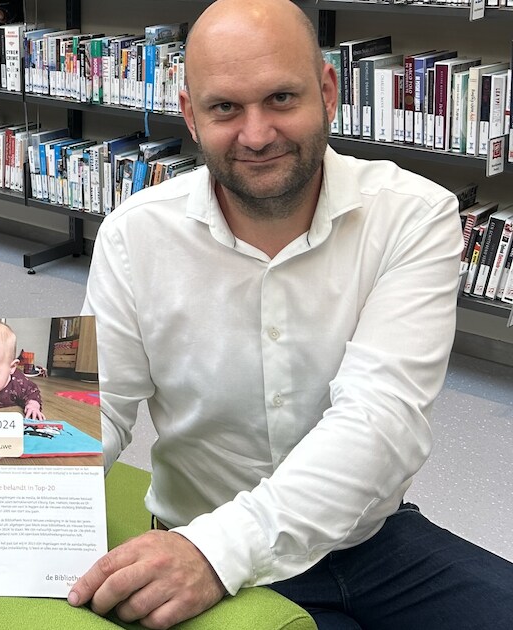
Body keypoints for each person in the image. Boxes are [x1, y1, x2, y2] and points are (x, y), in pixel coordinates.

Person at [71, 1, 513, 629]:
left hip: (366, 540)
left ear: (328, 90)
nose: (256, 135)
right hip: (197, 545)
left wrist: (220, 551)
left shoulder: (413, 216)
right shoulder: (134, 234)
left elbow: (379, 417)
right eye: (225, 107)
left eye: (281, 98)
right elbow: (99, 407)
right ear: (190, 115)